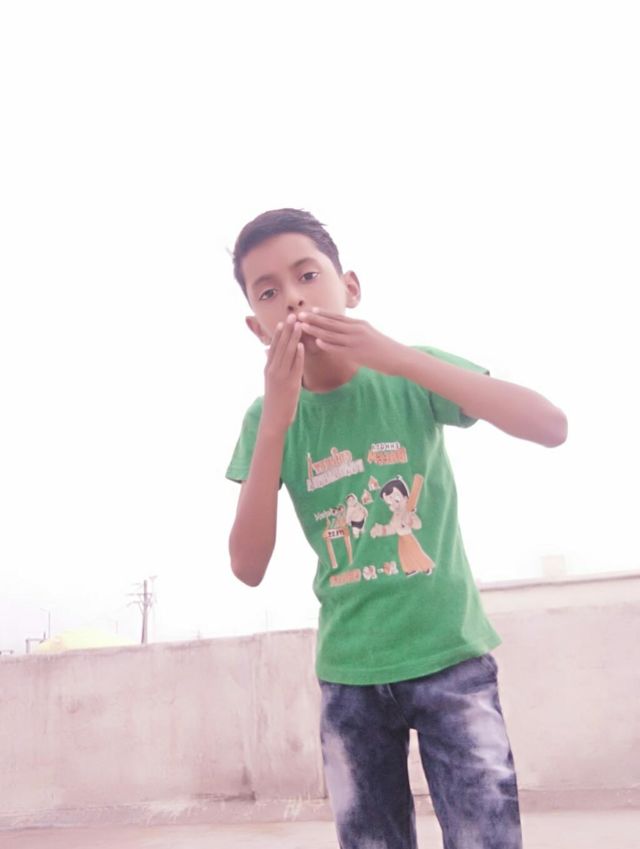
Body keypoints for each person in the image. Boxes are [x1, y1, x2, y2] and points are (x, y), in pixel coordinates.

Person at [225, 208, 568, 849]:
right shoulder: (266, 419)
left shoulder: (412, 373)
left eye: (307, 275)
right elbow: (247, 566)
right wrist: (276, 419)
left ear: (349, 287)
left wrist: (396, 356)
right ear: (256, 326)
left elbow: (550, 426)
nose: (293, 298)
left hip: (451, 658)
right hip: (349, 677)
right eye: (267, 292)